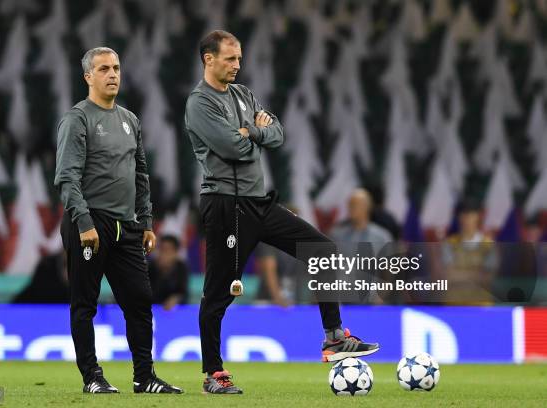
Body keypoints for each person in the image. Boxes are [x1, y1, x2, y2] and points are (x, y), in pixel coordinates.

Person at [185, 30, 379, 394]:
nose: (237, 65)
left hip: (259, 202)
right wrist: (252, 133)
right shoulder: (200, 103)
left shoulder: (243, 94)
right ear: (208, 59)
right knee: (218, 293)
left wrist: (252, 132)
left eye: (239, 58)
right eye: (229, 59)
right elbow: (230, 146)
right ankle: (213, 372)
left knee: (321, 248)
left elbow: (277, 134)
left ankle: (334, 337)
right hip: (227, 205)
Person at [54, 47, 182, 394]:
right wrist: (83, 222)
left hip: (128, 226)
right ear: (88, 77)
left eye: (116, 68)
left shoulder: (130, 119)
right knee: (85, 303)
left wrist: (147, 222)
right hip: (90, 222)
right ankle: (91, 377)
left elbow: (141, 174)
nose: (113, 74)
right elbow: (67, 177)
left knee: (140, 301)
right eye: (104, 69)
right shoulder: (77, 119)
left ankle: (145, 377)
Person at [148, 235, 189, 310]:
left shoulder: (181, 267)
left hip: (175, 312)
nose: (164, 254)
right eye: (161, 249)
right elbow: (146, 293)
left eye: (167, 250)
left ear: (176, 252)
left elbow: (184, 293)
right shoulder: (151, 266)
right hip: (153, 311)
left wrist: (175, 299)